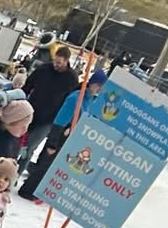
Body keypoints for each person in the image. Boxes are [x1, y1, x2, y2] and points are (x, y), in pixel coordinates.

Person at [18, 69, 107, 201]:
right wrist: (53, 141)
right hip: (60, 135)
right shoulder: (76, 98)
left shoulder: (89, 100)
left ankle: (37, 190)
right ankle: (28, 190)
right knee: (45, 165)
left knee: (53, 166)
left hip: (70, 137)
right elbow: (60, 120)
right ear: (92, 83)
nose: (100, 89)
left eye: (102, 86)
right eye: (98, 85)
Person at [18, 45, 79, 174]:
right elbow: (28, 85)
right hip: (30, 111)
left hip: (49, 119)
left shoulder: (71, 78)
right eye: (55, 61)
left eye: (59, 63)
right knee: (16, 142)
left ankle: (17, 173)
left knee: (30, 147)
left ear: (67, 61)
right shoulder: (44, 69)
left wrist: (67, 123)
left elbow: (71, 101)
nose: (56, 65)